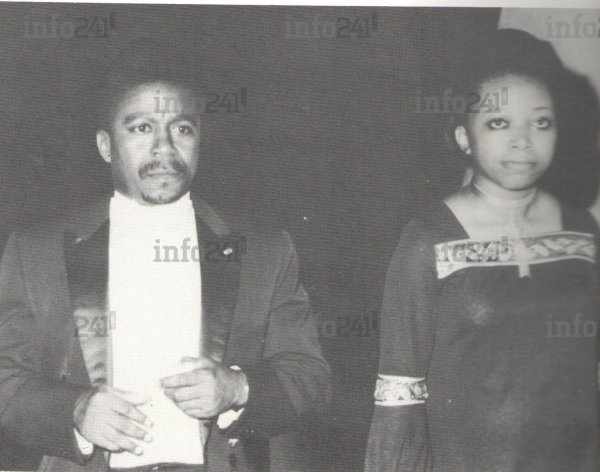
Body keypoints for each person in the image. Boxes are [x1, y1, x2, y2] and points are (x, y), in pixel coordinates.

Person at [0, 43, 330, 472]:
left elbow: (311, 376)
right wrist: (75, 410)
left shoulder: (265, 251)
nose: (164, 147)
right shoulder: (36, 251)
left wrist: (238, 389)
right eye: (141, 128)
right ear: (105, 145)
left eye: (182, 129)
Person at [365, 29, 599, 472]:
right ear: (464, 137)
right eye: (499, 123)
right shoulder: (427, 238)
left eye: (540, 122)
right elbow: (399, 393)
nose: (522, 140)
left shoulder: (583, 232)